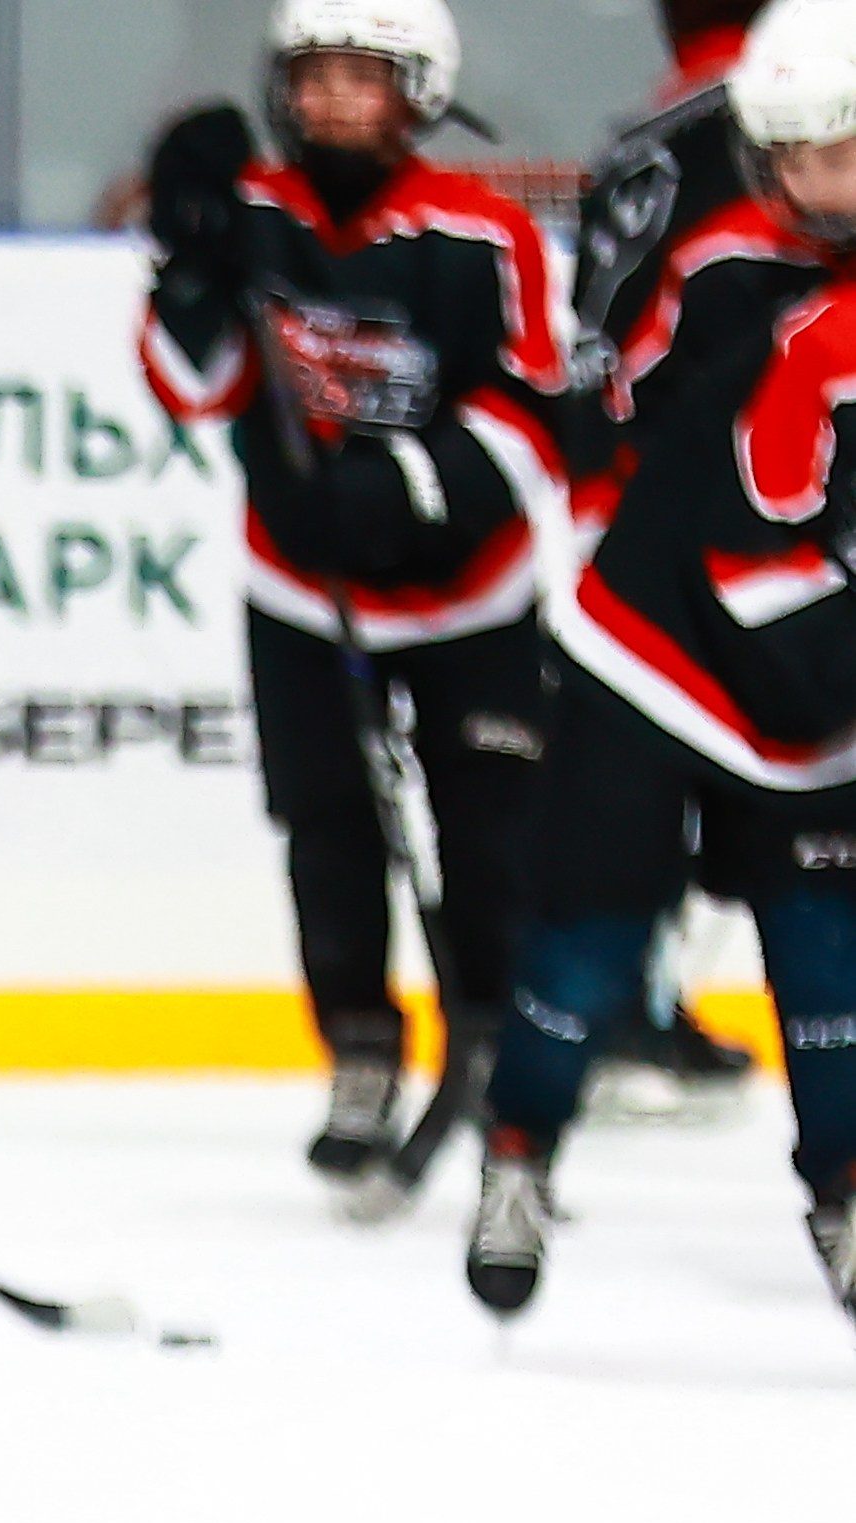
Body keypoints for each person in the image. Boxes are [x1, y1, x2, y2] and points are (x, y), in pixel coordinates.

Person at [467, 0, 856, 1325]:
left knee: (828, 958)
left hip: (810, 680)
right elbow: (635, 439)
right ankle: (517, 1150)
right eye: (807, 156)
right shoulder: (719, 273)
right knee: (586, 941)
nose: (828, 184)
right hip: (656, 653)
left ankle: (843, 1186)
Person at [138, 0, 564, 1186]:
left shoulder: (481, 232)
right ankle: (361, 1048)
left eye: (360, 77)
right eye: (313, 75)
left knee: (489, 838)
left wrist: (400, 492)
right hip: (300, 593)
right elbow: (190, 385)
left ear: (417, 93)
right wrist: (186, 266)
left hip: (467, 600)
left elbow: (535, 417)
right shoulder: (254, 214)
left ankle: (496, 1049)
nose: (330, 100)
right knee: (327, 831)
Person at [570, 0, 812, 1104]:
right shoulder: (780, 128)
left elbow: (591, 352)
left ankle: (621, 1006)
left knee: (641, 776)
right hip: (773, 506)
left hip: (638, 510)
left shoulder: (637, 143)